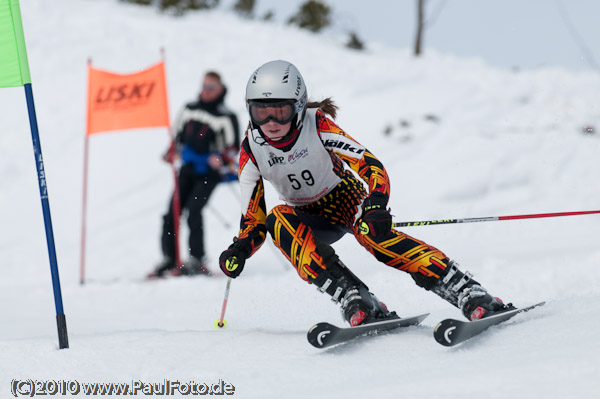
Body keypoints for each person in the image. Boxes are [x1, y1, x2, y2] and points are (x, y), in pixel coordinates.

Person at [218, 60, 514, 326]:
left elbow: (370, 165)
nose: (271, 123)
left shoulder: (317, 125)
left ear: (298, 105)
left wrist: (376, 205)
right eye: (261, 113)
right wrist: (241, 249)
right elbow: (252, 220)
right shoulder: (251, 149)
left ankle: (466, 291)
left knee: (376, 238)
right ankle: (354, 296)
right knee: (277, 221)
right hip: (308, 217)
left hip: (344, 199)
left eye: (280, 112)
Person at [151, 71, 240, 277]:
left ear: (220, 89)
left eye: (211, 88)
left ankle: (197, 259)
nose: (206, 92)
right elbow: (178, 136)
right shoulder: (189, 108)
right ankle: (170, 258)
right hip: (188, 168)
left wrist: (221, 158)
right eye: (204, 86)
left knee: (194, 209)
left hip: (209, 172)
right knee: (172, 211)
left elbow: (233, 146)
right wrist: (170, 151)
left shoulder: (226, 115)